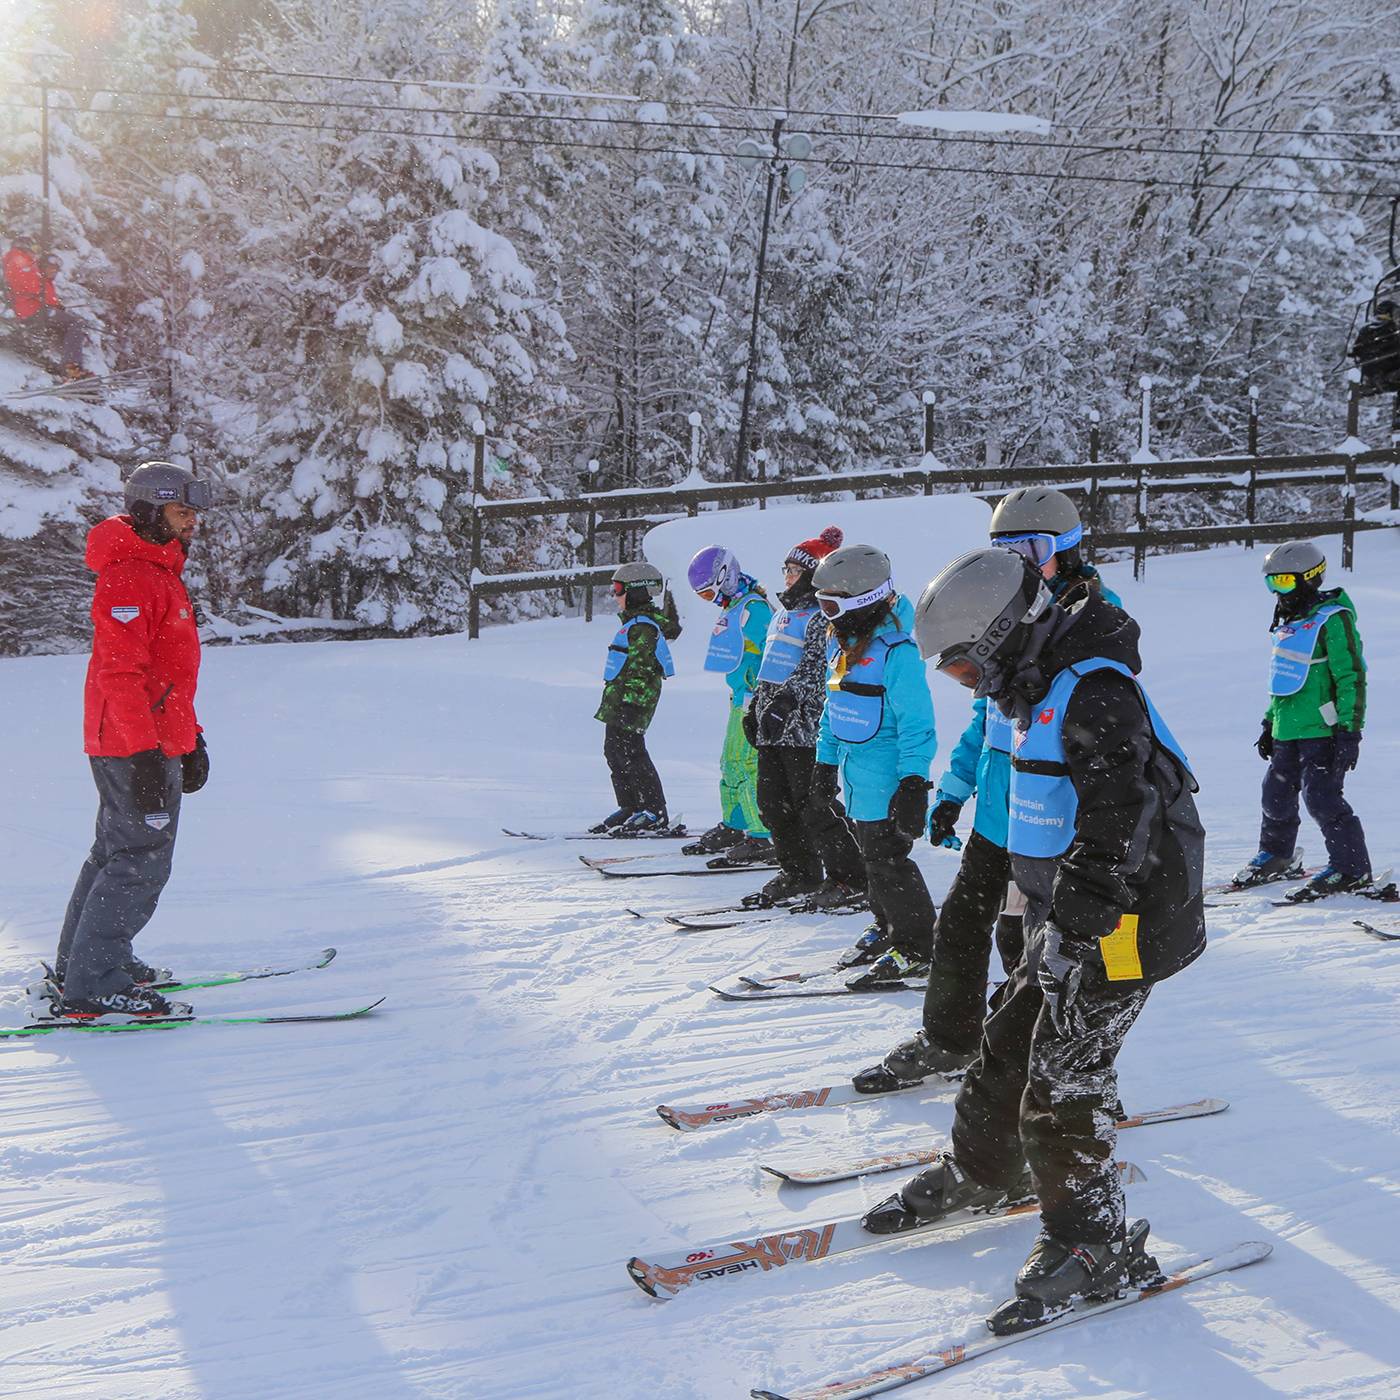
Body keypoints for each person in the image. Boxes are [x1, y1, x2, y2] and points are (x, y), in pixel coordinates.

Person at [862, 546, 1205, 1335]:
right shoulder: (1043, 686)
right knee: (1008, 1036)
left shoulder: (1096, 691)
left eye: (962, 670)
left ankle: (1094, 1243)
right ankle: (984, 1170)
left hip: (1128, 922)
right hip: (1078, 911)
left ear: (1003, 636)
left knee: (1066, 1072)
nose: (964, 686)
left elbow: (1122, 816)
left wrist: (1078, 926)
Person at [858, 486, 1127, 1090]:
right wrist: (954, 789)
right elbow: (986, 720)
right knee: (958, 924)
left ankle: (1059, 1068)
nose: (1022, 561)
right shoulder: (994, 622)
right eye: (1005, 548)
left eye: (1033, 547)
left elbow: (1105, 741)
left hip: (1054, 820)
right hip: (998, 814)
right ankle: (950, 1040)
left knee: (1035, 948)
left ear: (1070, 549)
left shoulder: (1083, 628)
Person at [48, 462, 214, 1019]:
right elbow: (122, 674)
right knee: (140, 860)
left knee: (116, 851)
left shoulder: (157, 571)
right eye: (181, 510)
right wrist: (145, 752)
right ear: (149, 511)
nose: (192, 521)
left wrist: (190, 739)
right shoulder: (130, 577)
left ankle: (82, 962)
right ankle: (94, 983)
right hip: (131, 745)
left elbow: (167, 673)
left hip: (147, 739)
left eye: (193, 512)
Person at [812, 544, 938, 988]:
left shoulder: (897, 653)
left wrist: (913, 782)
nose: (824, 614)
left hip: (887, 776)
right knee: (870, 858)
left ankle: (918, 945)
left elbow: (917, 725)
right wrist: (824, 763)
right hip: (856, 775)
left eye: (830, 604)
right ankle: (886, 925)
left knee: (889, 861)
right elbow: (834, 707)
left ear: (862, 599)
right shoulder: (844, 644)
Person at [741, 525, 866, 910]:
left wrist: (787, 703)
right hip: (773, 729)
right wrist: (758, 706)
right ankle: (799, 871)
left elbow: (817, 671)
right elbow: (771, 667)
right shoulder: (784, 616)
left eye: (794, 571)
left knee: (815, 806)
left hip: (804, 731)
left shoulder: (820, 617)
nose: (787, 577)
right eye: (786, 570)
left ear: (812, 575)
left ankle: (849, 877)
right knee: (772, 804)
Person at [1236, 540, 1371, 897]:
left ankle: (1351, 868)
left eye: (1283, 582)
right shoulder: (1292, 623)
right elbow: (1283, 679)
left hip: (1323, 730)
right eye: (1271, 584)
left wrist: (1349, 732)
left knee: (1322, 798)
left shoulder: (1333, 619)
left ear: (1309, 578)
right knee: (1275, 795)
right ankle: (1277, 855)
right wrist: (1269, 723)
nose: (1277, 592)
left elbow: (1351, 677)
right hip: (1287, 729)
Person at [681, 546, 775, 866]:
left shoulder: (755, 608)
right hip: (738, 699)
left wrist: (758, 690)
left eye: (708, 593)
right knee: (730, 763)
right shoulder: (735, 606)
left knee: (750, 765)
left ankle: (761, 833)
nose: (709, 600)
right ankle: (736, 824)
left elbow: (766, 655)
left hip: (754, 699)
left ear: (725, 577)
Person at [591, 561, 680, 835]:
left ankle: (654, 810)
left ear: (636, 592)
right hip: (619, 702)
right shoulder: (633, 624)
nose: (615, 596)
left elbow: (641, 672)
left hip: (632, 703)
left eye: (619, 590)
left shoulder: (643, 628)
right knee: (614, 751)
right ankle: (632, 805)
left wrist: (630, 704)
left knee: (632, 753)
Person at [2, 236, 88, 378]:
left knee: (69, 326)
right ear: (25, 247)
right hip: (31, 310)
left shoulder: (22, 263)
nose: (33, 253)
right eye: (32, 248)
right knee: (75, 323)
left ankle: (66, 366)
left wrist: (55, 305)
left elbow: (37, 289)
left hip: (33, 309)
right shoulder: (20, 260)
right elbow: (34, 287)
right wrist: (55, 304)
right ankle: (71, 369)